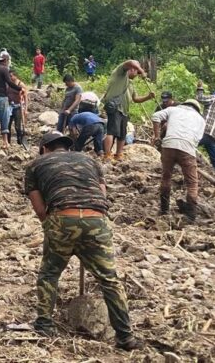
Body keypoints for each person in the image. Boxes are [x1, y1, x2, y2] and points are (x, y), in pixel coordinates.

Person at [24, 131, 142, 351]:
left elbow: (40, 209)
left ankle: (44, 325)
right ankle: (126, 337)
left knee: (50, 274)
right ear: (67, 148)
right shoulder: (90, 160)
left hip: (61, 217)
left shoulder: (35, 165)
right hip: (97, 219)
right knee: (109, 280)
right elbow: (102, 196)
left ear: (44, 149)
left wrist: (55, 229)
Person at [152, 99, 205, 221]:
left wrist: (157, 136)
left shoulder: (173, 110)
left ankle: (164, 210)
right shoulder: (200, 120)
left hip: (169, 145)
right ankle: (191, 216)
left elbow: (155, 116)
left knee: (166, 177)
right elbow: (198, 138)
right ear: (197, 109)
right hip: (187, 148)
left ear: (184, 104)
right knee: (192, 183)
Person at [102, 60, 155, 161]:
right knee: (112, 131)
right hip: (115, 107)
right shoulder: (120, 73)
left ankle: (118, 154)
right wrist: (142, 70)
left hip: (124, 110)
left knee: (122, 133)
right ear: (132, 69)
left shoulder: (130, 84)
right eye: (137, 72)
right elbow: (131, 62)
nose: (137, 75)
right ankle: (107, 154)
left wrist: (148, 97)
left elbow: (135, 99)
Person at [196, 81, 215, 172]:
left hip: (207, 131)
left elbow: (200, 98)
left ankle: (179, 161)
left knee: (189, 144)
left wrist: (200, 88)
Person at [7, 70, 28, 145]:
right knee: (7, 125)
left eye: (11, 76)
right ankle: (8, 142)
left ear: (15, 76)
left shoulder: (20, 84)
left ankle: (20, 141)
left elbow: (25, 97)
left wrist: (25, 109)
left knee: (17, 126)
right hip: (9, 107)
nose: (10, 77)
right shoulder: (9, 84)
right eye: (9, 76)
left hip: (18, 107)